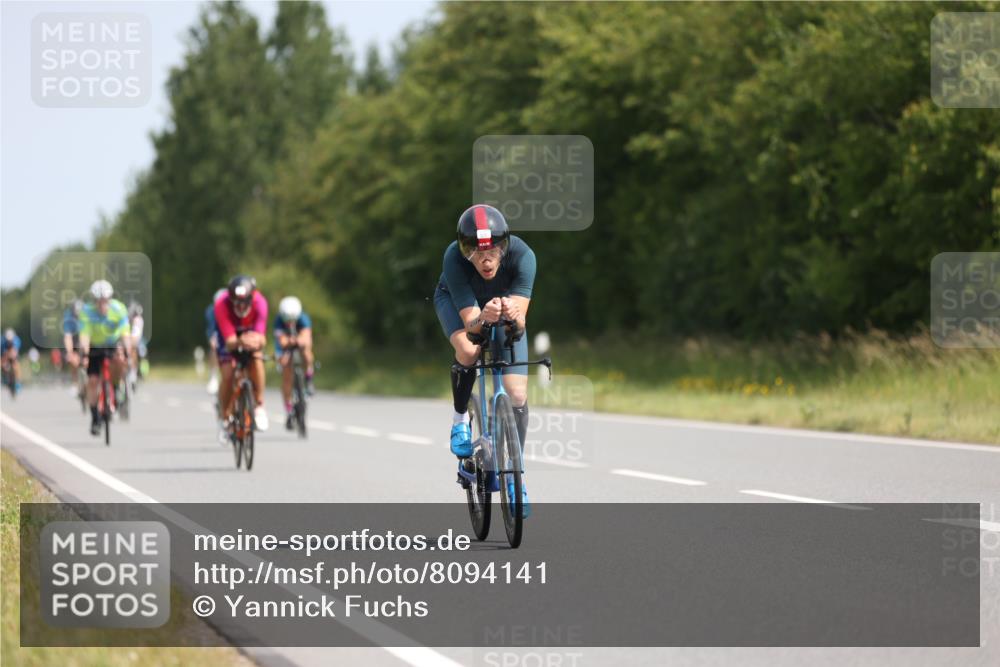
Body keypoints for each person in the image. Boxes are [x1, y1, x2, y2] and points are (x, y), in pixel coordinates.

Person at [433, 204, 535, 508]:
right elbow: (472, 326)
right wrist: (483, 317)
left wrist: (513, 316)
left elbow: (518, 326)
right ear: (465, 251)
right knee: (468, 349)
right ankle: (460, 419)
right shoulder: (453, 257)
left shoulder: (524, 256)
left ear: (504, 246)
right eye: (476, 252)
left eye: (492, 250)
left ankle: (515, 474)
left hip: (501, 311)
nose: (485, 259)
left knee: (517, 393)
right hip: (459, 305)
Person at [214, 275, 269, 435]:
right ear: (230, 299)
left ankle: (259, 406)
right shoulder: (221, 304)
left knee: (257, 359)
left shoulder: (260, 302)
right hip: (228, 337)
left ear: (252, 298)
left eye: (245, 302)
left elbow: (262, 338)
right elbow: (229, 342)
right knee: (228, 374)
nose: (241, 306)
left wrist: (256, 341)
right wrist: (240, 341)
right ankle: (224, 416)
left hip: (250, 335)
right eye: (237, 302)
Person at [79, 280, 131, 436]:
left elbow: (125, 333)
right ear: (94, 300)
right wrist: (84, 354)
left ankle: (116, 387)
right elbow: (84, 336)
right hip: (95, 346)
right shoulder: (86, 312)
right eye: (98, 301)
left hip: (112, 343)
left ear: (110, 299)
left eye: (105, 301)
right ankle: (95, 417)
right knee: (93, 381)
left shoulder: (119, 309)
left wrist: (127, 351)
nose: (102, 304)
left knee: (120, 359)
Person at [273, 296, 315, 430]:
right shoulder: (278, 320)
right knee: (286, 371)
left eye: (293, 319)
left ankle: (308, 376)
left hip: (299, 343)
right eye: (287, 319)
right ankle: (289, 409)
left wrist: (298, 341)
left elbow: (306, 338)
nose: (290, 322)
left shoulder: (303, 318)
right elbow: (281, 342)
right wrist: (284, 351)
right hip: (285, 347)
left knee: (306, 352)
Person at [205, 288, 226, 394]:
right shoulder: (211, 311)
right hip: (218, 334)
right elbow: (212, 328)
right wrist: (212, 339)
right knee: (214, 349)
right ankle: (213, 377)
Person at [62, 299, 84, 397]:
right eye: (76, 314)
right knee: (72, 360)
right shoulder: (68, 317)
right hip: (74, 338)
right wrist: (70, 352)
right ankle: (75, 383)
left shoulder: (89, 315)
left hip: (86, 336)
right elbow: (68, 337)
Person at [127, 301, 145, 387]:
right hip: (128, 339)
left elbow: (136, 336)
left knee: (139, 352)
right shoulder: (127, 319)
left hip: (137, 340)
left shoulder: (138, 320)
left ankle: (136, 372)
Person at [1, 328, 22, 393]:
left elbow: (15, 352)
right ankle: (4, 378)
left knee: (16, 365)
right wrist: (4, 362)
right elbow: (3, 354)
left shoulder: (17, 340)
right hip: (4, 354)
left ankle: (18, 382)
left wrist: (12, 356)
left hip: (13, 354)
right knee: (3, 365)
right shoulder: (2, 342)